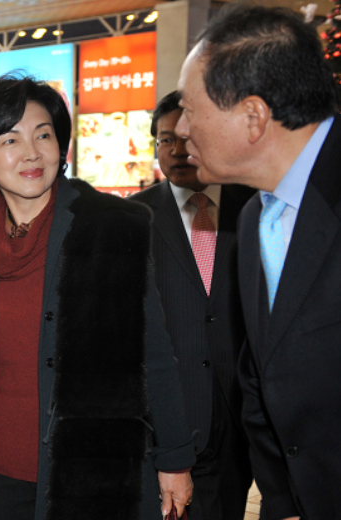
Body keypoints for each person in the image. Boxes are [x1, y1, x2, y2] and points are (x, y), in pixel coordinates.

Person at [0, 76, 195, 520]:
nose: (32, 153)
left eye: (43, 135)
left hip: (91, 473)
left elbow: (152, 352)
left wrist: (174, 458)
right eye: (10, 140)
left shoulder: (112, 226)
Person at [175, 5, 341, 520]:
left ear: (253, 116)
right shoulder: (252, 217)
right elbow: (260, 374)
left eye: (189, 109)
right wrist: (284, 499)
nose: (180, 129)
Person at [130, 91, 255, 520]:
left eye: (185, 138)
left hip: (241, 415)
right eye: (165, 140)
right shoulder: (132, 219)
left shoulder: (253, 207)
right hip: (170, 421)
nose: (177, 150)